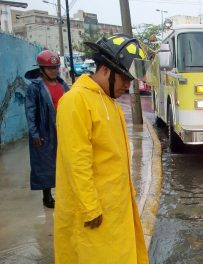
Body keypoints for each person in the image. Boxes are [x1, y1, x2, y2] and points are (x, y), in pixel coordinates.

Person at [54, 34, 148, 263]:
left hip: (116, 207)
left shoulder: (108, 102)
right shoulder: (75, 101)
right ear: (106, 70)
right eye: (125, 78)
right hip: (95, 213)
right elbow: (76, 160)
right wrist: (90, 207)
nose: (128, 84)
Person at [25, 50, 69, 208]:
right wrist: (34, 133)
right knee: (45, 163)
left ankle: (65, 192)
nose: (54, 70)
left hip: (62, 129)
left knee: (63, 161)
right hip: (45, 131)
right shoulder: (35, 88)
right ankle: (47, 196)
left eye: (56, 67)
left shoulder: (62, 84)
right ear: (42, 69)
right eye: (51, 68)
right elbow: (30, 112)